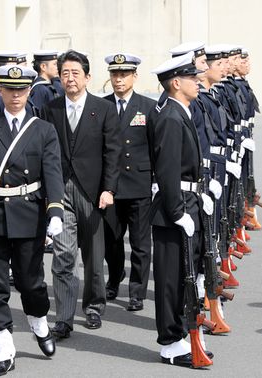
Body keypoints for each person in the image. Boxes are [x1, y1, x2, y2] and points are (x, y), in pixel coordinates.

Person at [0, 64, 65, 376]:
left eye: (21, 90)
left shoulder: (43, 129)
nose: (15, 95)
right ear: (0, 91)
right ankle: (3, 347)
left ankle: (39, 322)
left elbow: (52, 172)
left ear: (29, 91)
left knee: (30, 282)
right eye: (9, 89)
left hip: (29, 213)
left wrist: (55, 211)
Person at [42, 50, 121, 336]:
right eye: (64, 73)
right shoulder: (49, 109)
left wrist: (109, 189)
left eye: (75, 73)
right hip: (60, 191)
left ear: (87, 77)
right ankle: (63, 318)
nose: (70, 78)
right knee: (63, 255)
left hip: (93, 192)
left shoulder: (103, 109)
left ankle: (93, 307)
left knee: (93, 255)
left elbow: (113, 152)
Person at [147, 52, 213, 367]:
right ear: (176, 83)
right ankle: (171, 344)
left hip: (187, 201)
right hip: (175, 208)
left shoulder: (178, 110)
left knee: (184, 273)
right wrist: (177, 212)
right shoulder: (171, 117)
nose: (197, 82)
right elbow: (168, 170)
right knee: (172, 280)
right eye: (191, 78)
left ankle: (180, 337)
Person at [102, 53, 155, 312]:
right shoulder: (100, 106)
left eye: (124, 74)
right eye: (115, 74)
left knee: (140, 243)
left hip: (139, 184)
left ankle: (137, 291)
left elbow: (156, 146)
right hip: (110, 187)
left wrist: (156, 181)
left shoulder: (147, 107)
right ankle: (113, 279)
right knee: (111, 241)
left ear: (134, 76)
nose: (119, 79)